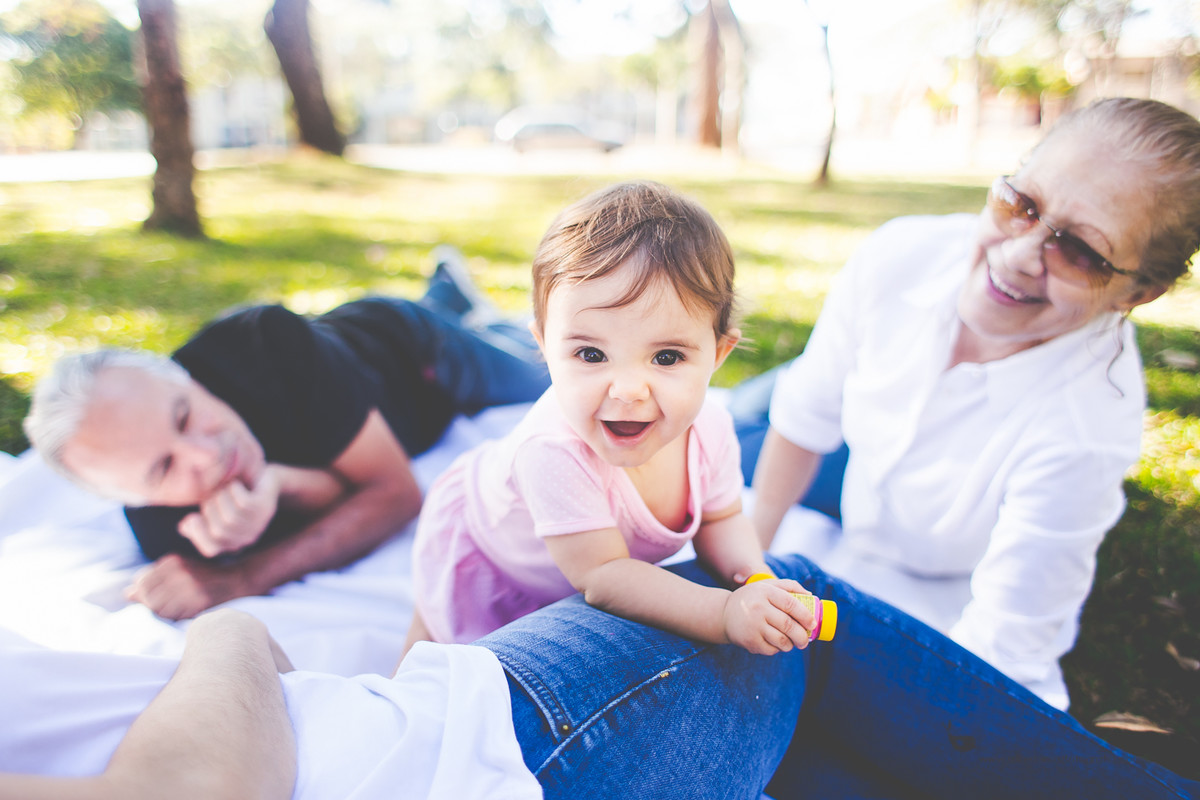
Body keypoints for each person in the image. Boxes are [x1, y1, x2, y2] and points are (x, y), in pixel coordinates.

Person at [3, 553, 1197, 799]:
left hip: (465, 745)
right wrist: (230, 633)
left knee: (798, 733)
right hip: (495, 753)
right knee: (780, 605)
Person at [741, 97, 1200, 710]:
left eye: (1082, 253)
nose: (1018, 255)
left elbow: (999, 662)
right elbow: (806, 418)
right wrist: (745, 571)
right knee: (650, 406)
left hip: (870, 489)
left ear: (1139, 292)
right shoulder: (900, 254)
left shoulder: (1085, 433)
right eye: (1022, 205)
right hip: (844, 436)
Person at [22, 250, 551, 620]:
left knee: (541, 370)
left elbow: (395, 494)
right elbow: (342, 492)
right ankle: (447, 293)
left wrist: (240, 580)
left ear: (184, 377)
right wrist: (276, 481)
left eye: (184, 416)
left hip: (409, 352)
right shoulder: (167, 530)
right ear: (135, 500)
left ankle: (451, 308)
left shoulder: (266, 339)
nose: (205, 457)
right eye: (164, 469)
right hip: (343, 370)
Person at [407, 181, 815, 655]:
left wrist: (755, 581)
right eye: (590, 353)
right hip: (489, 551)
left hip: (574, 571)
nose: (626, 390)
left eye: (666, 358)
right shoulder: (552, 449)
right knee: (436, 652)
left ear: (718, 354)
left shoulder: (711, 430)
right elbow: (603, 577)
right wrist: (722, 614)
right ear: (544, 346)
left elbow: (721, 521)